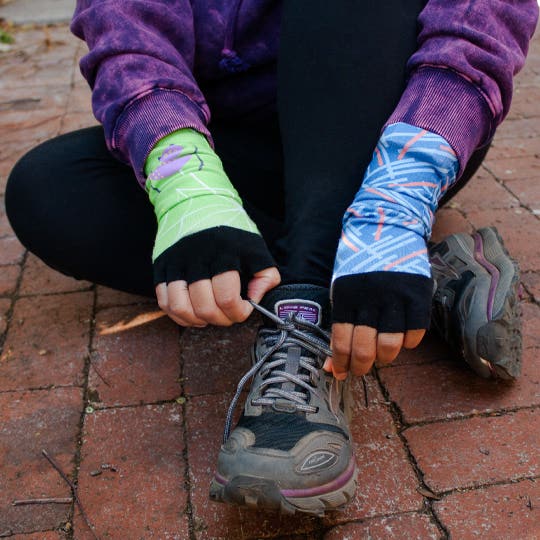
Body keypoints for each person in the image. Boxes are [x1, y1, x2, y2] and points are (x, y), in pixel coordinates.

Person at [5, 0, 538, 517]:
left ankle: (308, 310)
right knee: (47, 191)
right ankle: (411, 273)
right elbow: (126, 35)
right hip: (233, 136)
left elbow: (479, 22)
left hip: (394, 125)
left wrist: (397, 202)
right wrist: (188, 187)